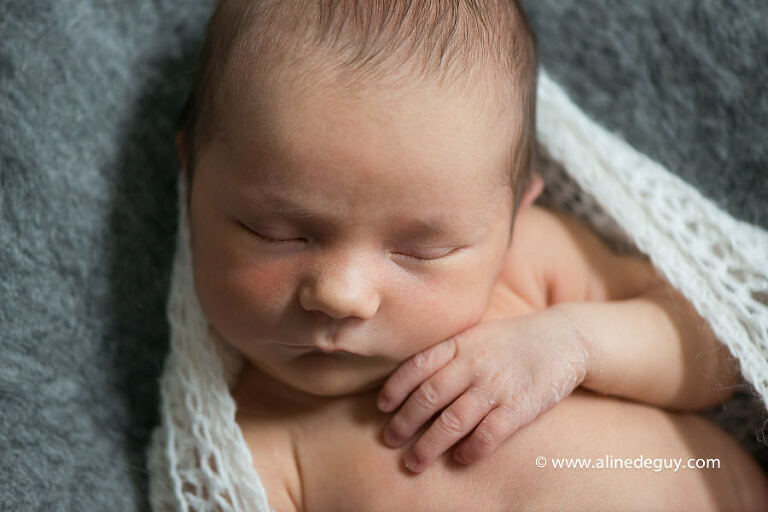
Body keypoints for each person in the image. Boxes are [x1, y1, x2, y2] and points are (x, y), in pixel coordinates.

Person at [174, 0, 768, 509]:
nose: (341, 294)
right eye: (276, 232)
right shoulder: (253, 451)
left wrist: (576, 345)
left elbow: (716, 345)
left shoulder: (526, 263)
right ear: (192, 177)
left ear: (513, 219)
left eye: (420, 250)